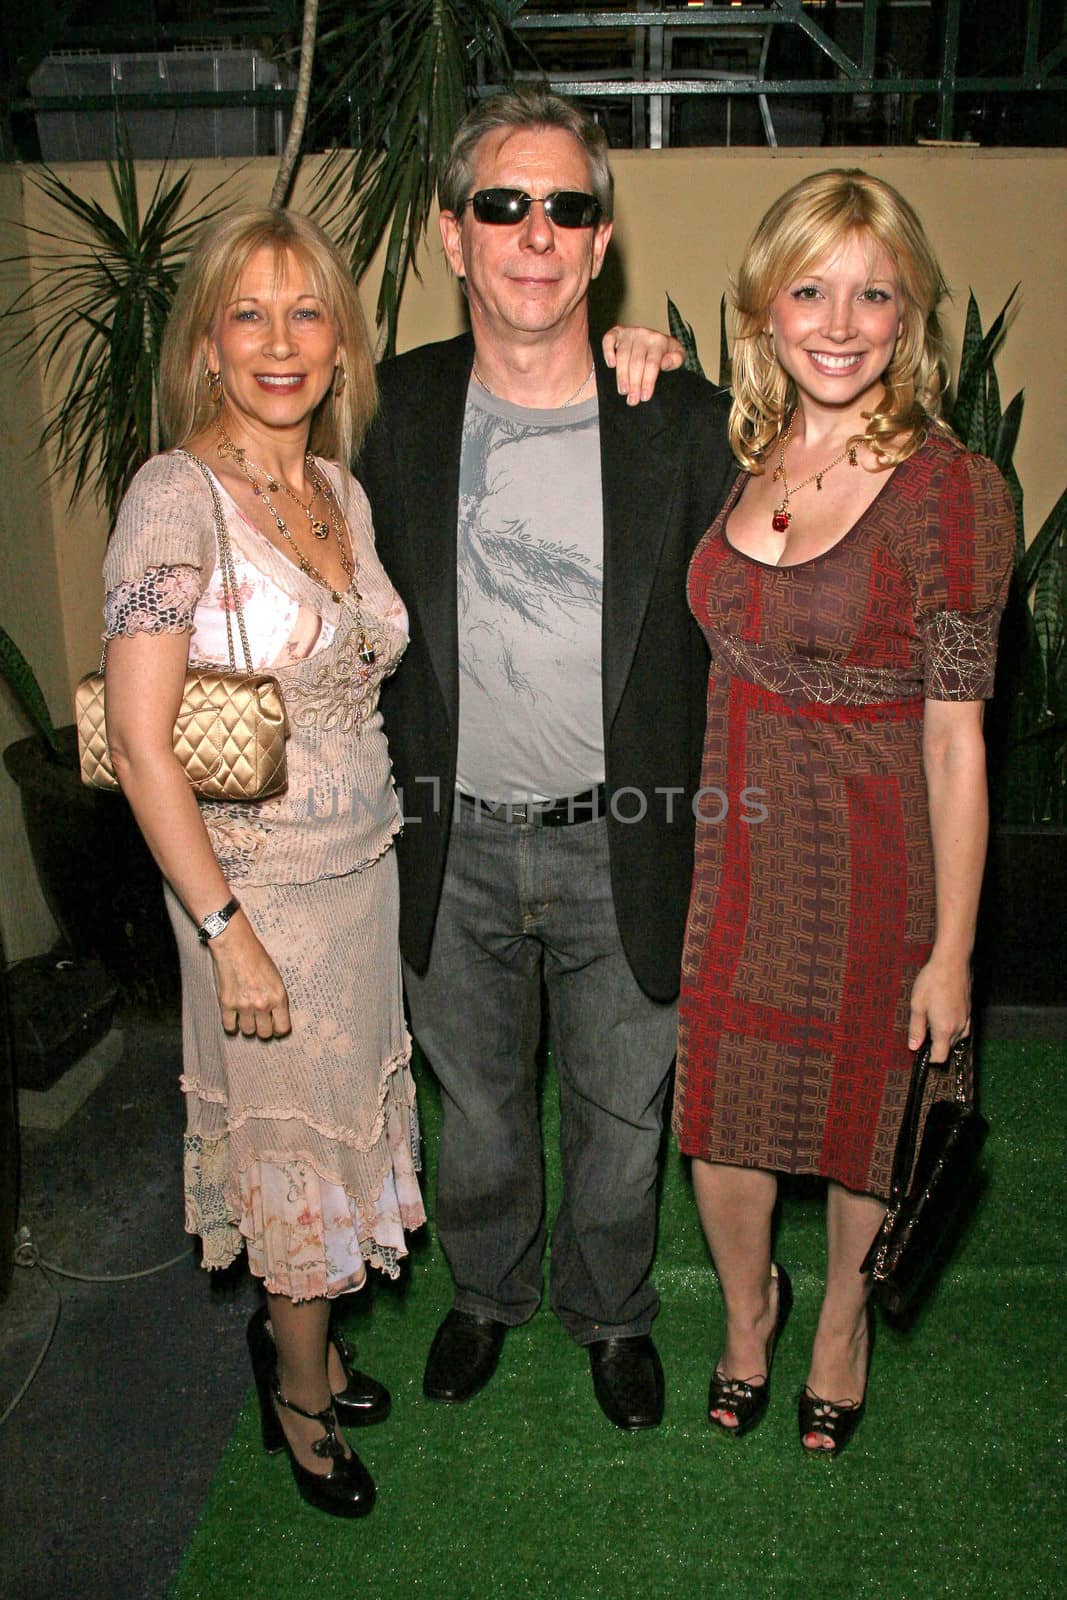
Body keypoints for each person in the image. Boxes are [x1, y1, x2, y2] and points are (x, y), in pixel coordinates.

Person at [358, 88, 735, 1430]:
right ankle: (486, 1293)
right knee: (475, 1116)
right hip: (444, 834)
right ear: (451, 236)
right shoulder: (388, 409)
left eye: (564, 207)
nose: (533, 231)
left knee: (623, 1117)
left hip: (621, 830)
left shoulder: (678, 418)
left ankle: (613, 1312)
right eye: (500, 205)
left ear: (599, 238)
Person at [674, 169, 1015, 1455]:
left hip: (879, 860)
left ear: (908, 317)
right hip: (735, 848)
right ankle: (747, 1306)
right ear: (762, 306)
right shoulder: (741, 448)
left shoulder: (949, 490)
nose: (837, 319)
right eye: (808, 287)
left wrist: (950, 953)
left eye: (872, 293)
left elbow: (955, 741)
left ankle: (837, 1327)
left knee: (867, 1112)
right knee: (721, 1108)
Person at [102, 209, 424, 1515]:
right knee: (295, 1159)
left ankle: (315, 1342)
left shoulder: (335, 488)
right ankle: (294, 1394)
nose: (280, 341)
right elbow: (137, 738)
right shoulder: (175, 497)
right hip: (256, 898)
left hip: (362, 874)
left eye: (306, 312)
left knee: (344, 1136)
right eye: (249, 314)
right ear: (207, 346)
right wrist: (225, 926)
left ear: (340, 341)